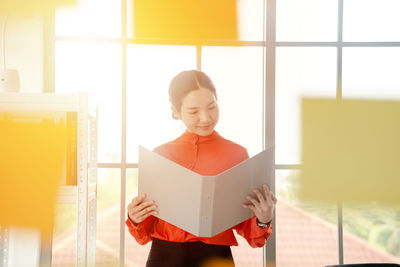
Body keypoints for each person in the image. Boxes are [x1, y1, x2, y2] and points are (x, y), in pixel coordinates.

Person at [126, 70, 277, 267]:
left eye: (211, 107)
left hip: (216, 256)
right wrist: (135, 217)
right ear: (175, 111)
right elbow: (144, 233)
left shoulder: (237, 154)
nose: (205, 118)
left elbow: (251, 233)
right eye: (194, 111)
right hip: (164, 256)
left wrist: (264, 219)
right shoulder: (160, 155)